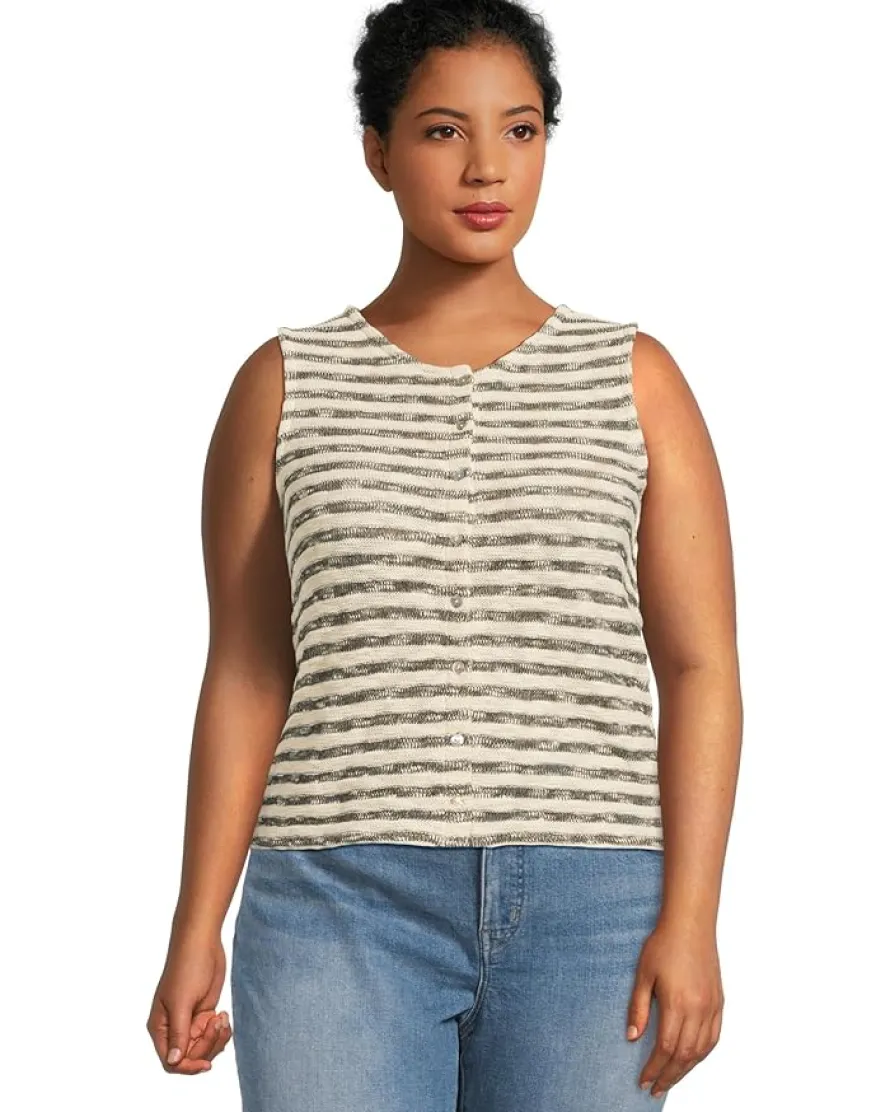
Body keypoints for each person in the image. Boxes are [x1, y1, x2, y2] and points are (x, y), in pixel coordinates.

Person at [146, 1, 743, 1107]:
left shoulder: (635, 379)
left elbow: (700, 666)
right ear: (376, 152)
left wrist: (693, 916)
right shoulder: (283, 384)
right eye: (440, 131)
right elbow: (247, 669)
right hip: (336, 899)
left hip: (593, 905)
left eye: (519, 129)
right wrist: (195, 925)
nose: (485, 168)